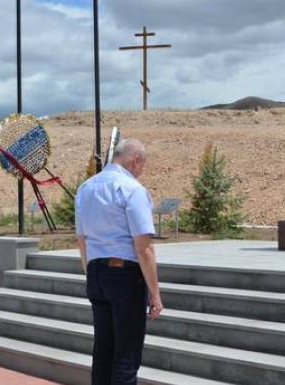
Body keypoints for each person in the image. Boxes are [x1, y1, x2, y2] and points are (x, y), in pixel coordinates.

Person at [75, 138, 163, 385]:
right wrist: (155, 293)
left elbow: (81, 239)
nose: (141, 170)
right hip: (125, 275)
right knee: (126, 353)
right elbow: (143, 247)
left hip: (95, 271)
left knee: (103, 350)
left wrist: (91, 272)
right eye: (142, 164)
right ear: (136, 160)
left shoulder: (86, 188)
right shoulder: (132, 189)